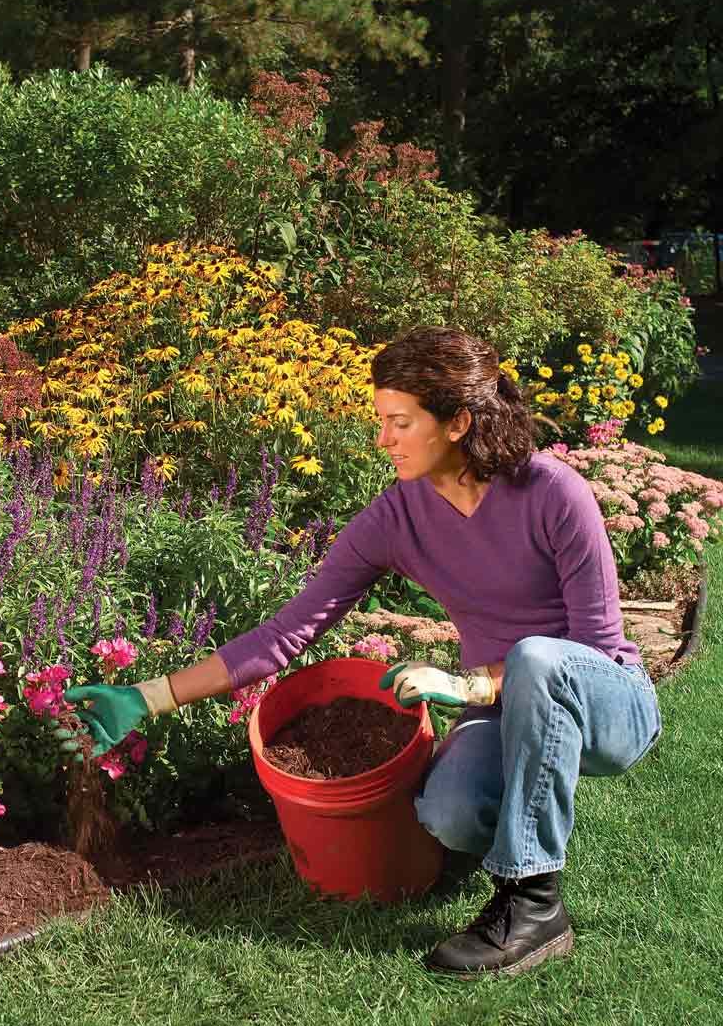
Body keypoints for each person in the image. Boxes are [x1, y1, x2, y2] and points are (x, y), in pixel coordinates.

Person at [60, 325, 663, 979]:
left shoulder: (552, 493)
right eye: (382, 421)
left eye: (399, 423)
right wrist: (148, 695)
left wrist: (468, 687)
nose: (383, 440)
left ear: (457, 422)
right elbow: (288, 631)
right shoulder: (396, 519)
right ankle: (515, 817)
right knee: (450, 814)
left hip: (608, 703)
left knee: (539, 662)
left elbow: (593, 649)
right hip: (504, 707)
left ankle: (534, 904)